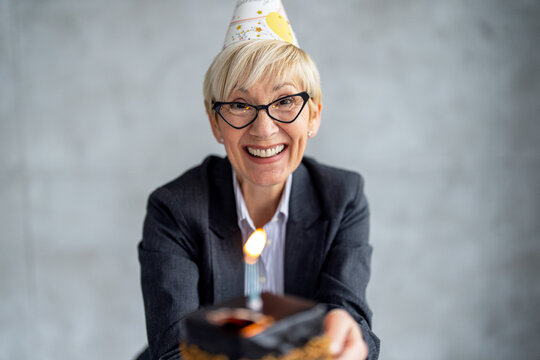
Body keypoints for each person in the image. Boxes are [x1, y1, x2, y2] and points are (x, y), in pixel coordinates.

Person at [138, 1, 380, 359]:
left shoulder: (342, 198)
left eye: (285, 101)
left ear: (313, 116)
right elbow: (176, 351)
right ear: (215, 123)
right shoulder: (174, 209)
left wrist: (348, 341)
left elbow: (350, 317)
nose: (264, 129)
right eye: (239, 104)